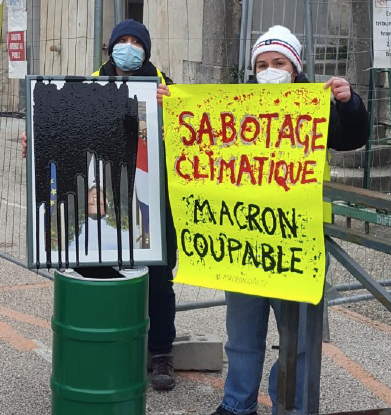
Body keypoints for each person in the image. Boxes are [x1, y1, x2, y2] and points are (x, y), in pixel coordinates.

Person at [159, 25, 370, 415]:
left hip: (298, 244)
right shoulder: (238, 106)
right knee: (241, 333)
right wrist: (174, 107)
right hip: (245, 241)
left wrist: (349, 103)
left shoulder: (314, 107)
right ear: (252, 69)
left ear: (295, 66)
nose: (270, 69)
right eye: (262, 64)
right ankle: (236, 404)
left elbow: (351, 136)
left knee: (300, 340)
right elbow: (203, 143)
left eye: (279, 62)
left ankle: (290, 406)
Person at [23, 19, 178, 391]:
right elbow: (64, 130)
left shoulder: (166, 88)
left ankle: (160, 355)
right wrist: (40, 140)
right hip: (105, 195)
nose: (128, 48)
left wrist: (171, 112)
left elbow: (189, 136)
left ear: (147, 50)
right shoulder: (87, 83)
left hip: (154, 200)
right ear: (109, 48)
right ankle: (104, 345)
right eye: (121, 41)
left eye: (135, 42)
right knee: (100, 272)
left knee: (159, 280)